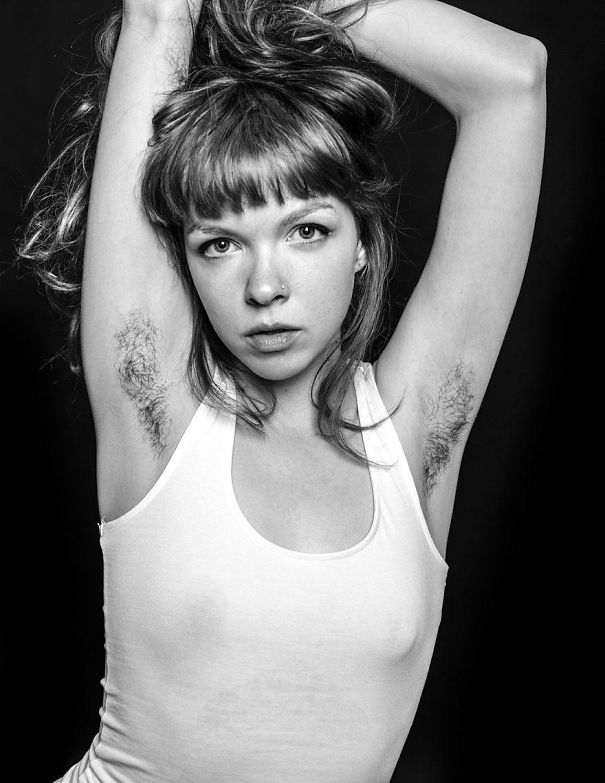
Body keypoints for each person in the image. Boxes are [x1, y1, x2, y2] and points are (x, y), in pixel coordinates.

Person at [19, 0, 546, 780]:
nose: (264, 285)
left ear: (361, 240)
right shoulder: (156, 415)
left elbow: (511, 81)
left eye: (306, 230)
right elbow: (160, 16)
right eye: (220, 243)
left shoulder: (416, 433)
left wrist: (263, 3)